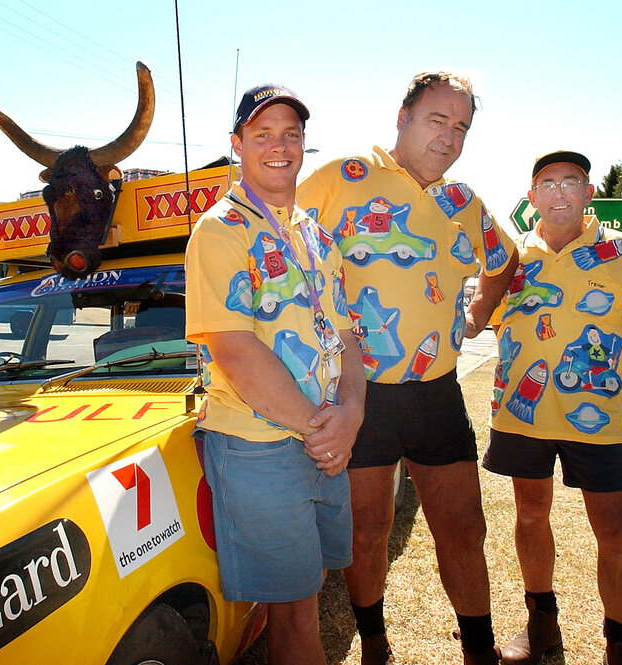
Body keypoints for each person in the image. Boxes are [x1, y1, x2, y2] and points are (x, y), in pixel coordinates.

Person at [297, 71, 519, 665]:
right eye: (437, 120)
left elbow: (506, 259)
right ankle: (374, 643)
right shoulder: (339, 178)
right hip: (359, 396)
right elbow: (275, 247)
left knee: (465, 529)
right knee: (366, 532)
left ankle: (479, 651)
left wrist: (478, 312)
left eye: (462, 127)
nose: (449, 137)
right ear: (402, 116)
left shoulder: (462, 201)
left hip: (437, 396)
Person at [185, 84, 365, 665]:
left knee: (307, 598)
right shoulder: (218, 231)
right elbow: (232, 348)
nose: (279, 145)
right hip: (260, 447)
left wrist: (353, 414)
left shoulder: (313, 232)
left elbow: (346, 335)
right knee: (289, 615)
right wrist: (324, 430)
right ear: (237, 145)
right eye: (262, 134)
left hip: (324, 439)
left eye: (291, 133)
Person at [484, 151, 622, 665]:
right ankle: (542, 626)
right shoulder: (515, 259)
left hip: (597, 417)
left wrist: (597, 372)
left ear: (589, 193)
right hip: (522, 413)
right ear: (532, 196)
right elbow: (495, 321)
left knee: (616, 532)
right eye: (548, 182)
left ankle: (621, 644)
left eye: (571, 181)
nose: (559, 191)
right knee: (530, 515)